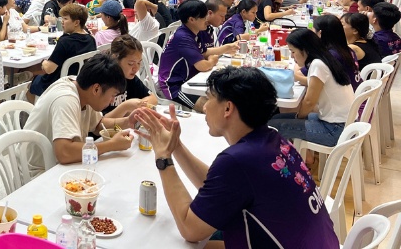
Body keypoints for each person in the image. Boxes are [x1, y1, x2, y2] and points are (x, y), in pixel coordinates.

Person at [133, 67, 339, 248]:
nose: (204, 106)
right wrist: (176, 146)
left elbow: (190, 229)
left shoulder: (237, 161)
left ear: (228, 108)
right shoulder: (273, 139)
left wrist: (163, 158)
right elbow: (220, 188)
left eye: (209, 98)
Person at [24, 52, 134, 174]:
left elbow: (98, 125)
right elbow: (64, 153)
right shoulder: (66, 99)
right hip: (38, 173)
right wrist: (112, 145)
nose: (112, 101)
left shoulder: (84, 89)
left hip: (58, 166)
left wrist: (128, 121)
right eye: (113, 95)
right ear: (96, 89)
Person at [268, 29, 354, 147]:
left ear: (305, 50)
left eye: (293, 51)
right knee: (277, 118)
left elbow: (309, 102)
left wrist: (298, 118)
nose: (292, 56)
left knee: (273, 126)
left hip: (334, 130)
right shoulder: (326, 58)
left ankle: (290, 156)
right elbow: (315, 84)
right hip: (343, 123)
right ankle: (295, 153)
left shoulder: (317, 65)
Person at [158, 0, 220, 111]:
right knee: (211, 108)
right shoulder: (183, 37)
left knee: (220, 97)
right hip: (174, 85)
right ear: (191, 19)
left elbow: (204, 53)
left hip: (190, 79)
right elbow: (203, 66)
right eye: (203, 17)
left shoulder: (194, 32)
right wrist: (212, 61)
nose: (207, 19)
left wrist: (211, 58)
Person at [28, 4, 97, 99]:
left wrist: (43, 62)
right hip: (81, 82)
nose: (62, 22)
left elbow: (49, 69)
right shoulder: (91, 39)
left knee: (30, 84)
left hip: (58, 84)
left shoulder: (65, 41)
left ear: (76, 22)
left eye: (65, 19)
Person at [102, 34, 158, 117]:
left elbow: (153, 99)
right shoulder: (103, 80)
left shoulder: (130, 78)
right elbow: (98, 121)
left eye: (139, 63)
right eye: (131, 64)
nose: (136, 68)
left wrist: (132, 108)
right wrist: (125, 108)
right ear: (115, 59)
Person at [313, 14, 361, 90]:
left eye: (313, 31)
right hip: (355, 91)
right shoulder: (347, 50)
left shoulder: (330, 56)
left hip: (347, 94)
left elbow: (302, 75)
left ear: (320, 34)